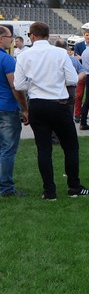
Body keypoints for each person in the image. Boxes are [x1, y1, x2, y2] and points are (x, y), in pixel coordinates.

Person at [13, 22, 89, 200]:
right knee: (70, 146)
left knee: (43, 149)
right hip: (58, 103)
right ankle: (74, 186)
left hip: (37, 104)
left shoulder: (24, 55)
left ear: (32, 36)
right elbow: (72, 79)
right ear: (47, 36)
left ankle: (49, 191)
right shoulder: (59, 53)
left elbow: (19, 85)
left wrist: (35, 83)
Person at [0, 26, 28, 197]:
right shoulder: (7, 60)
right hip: (7, 108)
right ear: (1, 38)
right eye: (10, 37)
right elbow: (15, 86)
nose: (12, 40)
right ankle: (6, 187)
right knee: (8, 149)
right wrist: (25, 108)